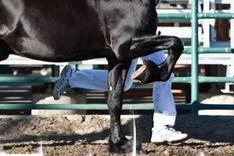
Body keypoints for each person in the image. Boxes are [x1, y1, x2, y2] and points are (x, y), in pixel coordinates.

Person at [53, 51, 188, 144]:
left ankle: (73, 77)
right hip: (139, 31)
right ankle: (162, 127)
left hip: (135, 30)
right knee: (164, 74)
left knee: (124, 83)